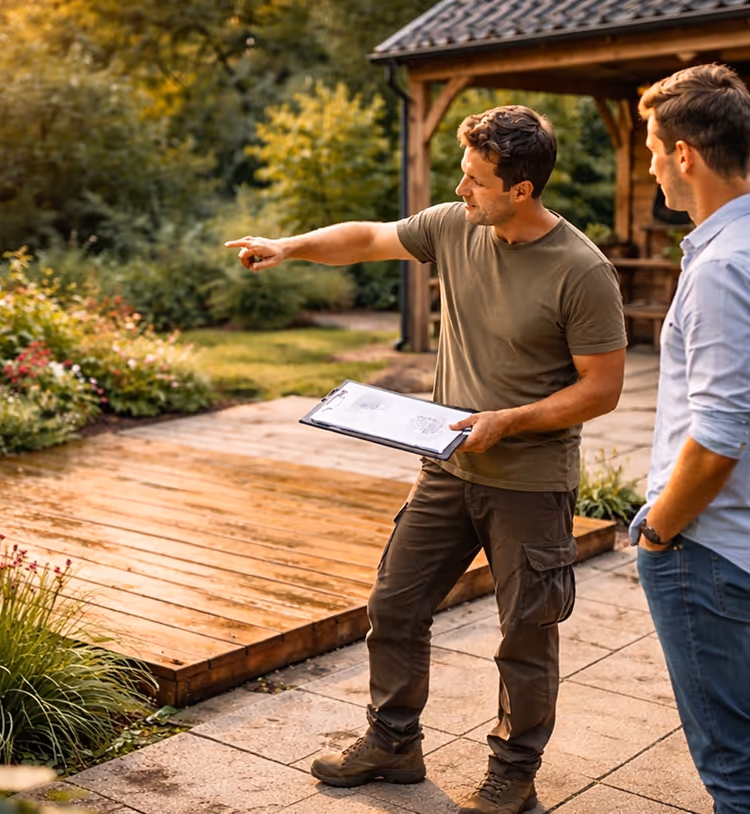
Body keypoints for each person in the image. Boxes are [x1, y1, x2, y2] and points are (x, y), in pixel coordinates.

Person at [226, 105, 627, 814]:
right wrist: (288, 247)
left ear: (521, 189)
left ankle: (514, 771)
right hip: (446, 468)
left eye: (475, 179)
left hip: (528, 484)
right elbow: (370, 237)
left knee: (525, 634)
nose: (461, 189)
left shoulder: (580, 271)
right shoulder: (453, 225)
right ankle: (393, 741)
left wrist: (510, 423)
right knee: (396, 602)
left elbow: (602, 388)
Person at [630, 64, 750, 813]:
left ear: (684, 154)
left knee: (731, 754)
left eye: (652, 149)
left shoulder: (726, 268)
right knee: (741, 730)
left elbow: (716, 440)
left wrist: (660, 533)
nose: (649, 166)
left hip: (709, 550)